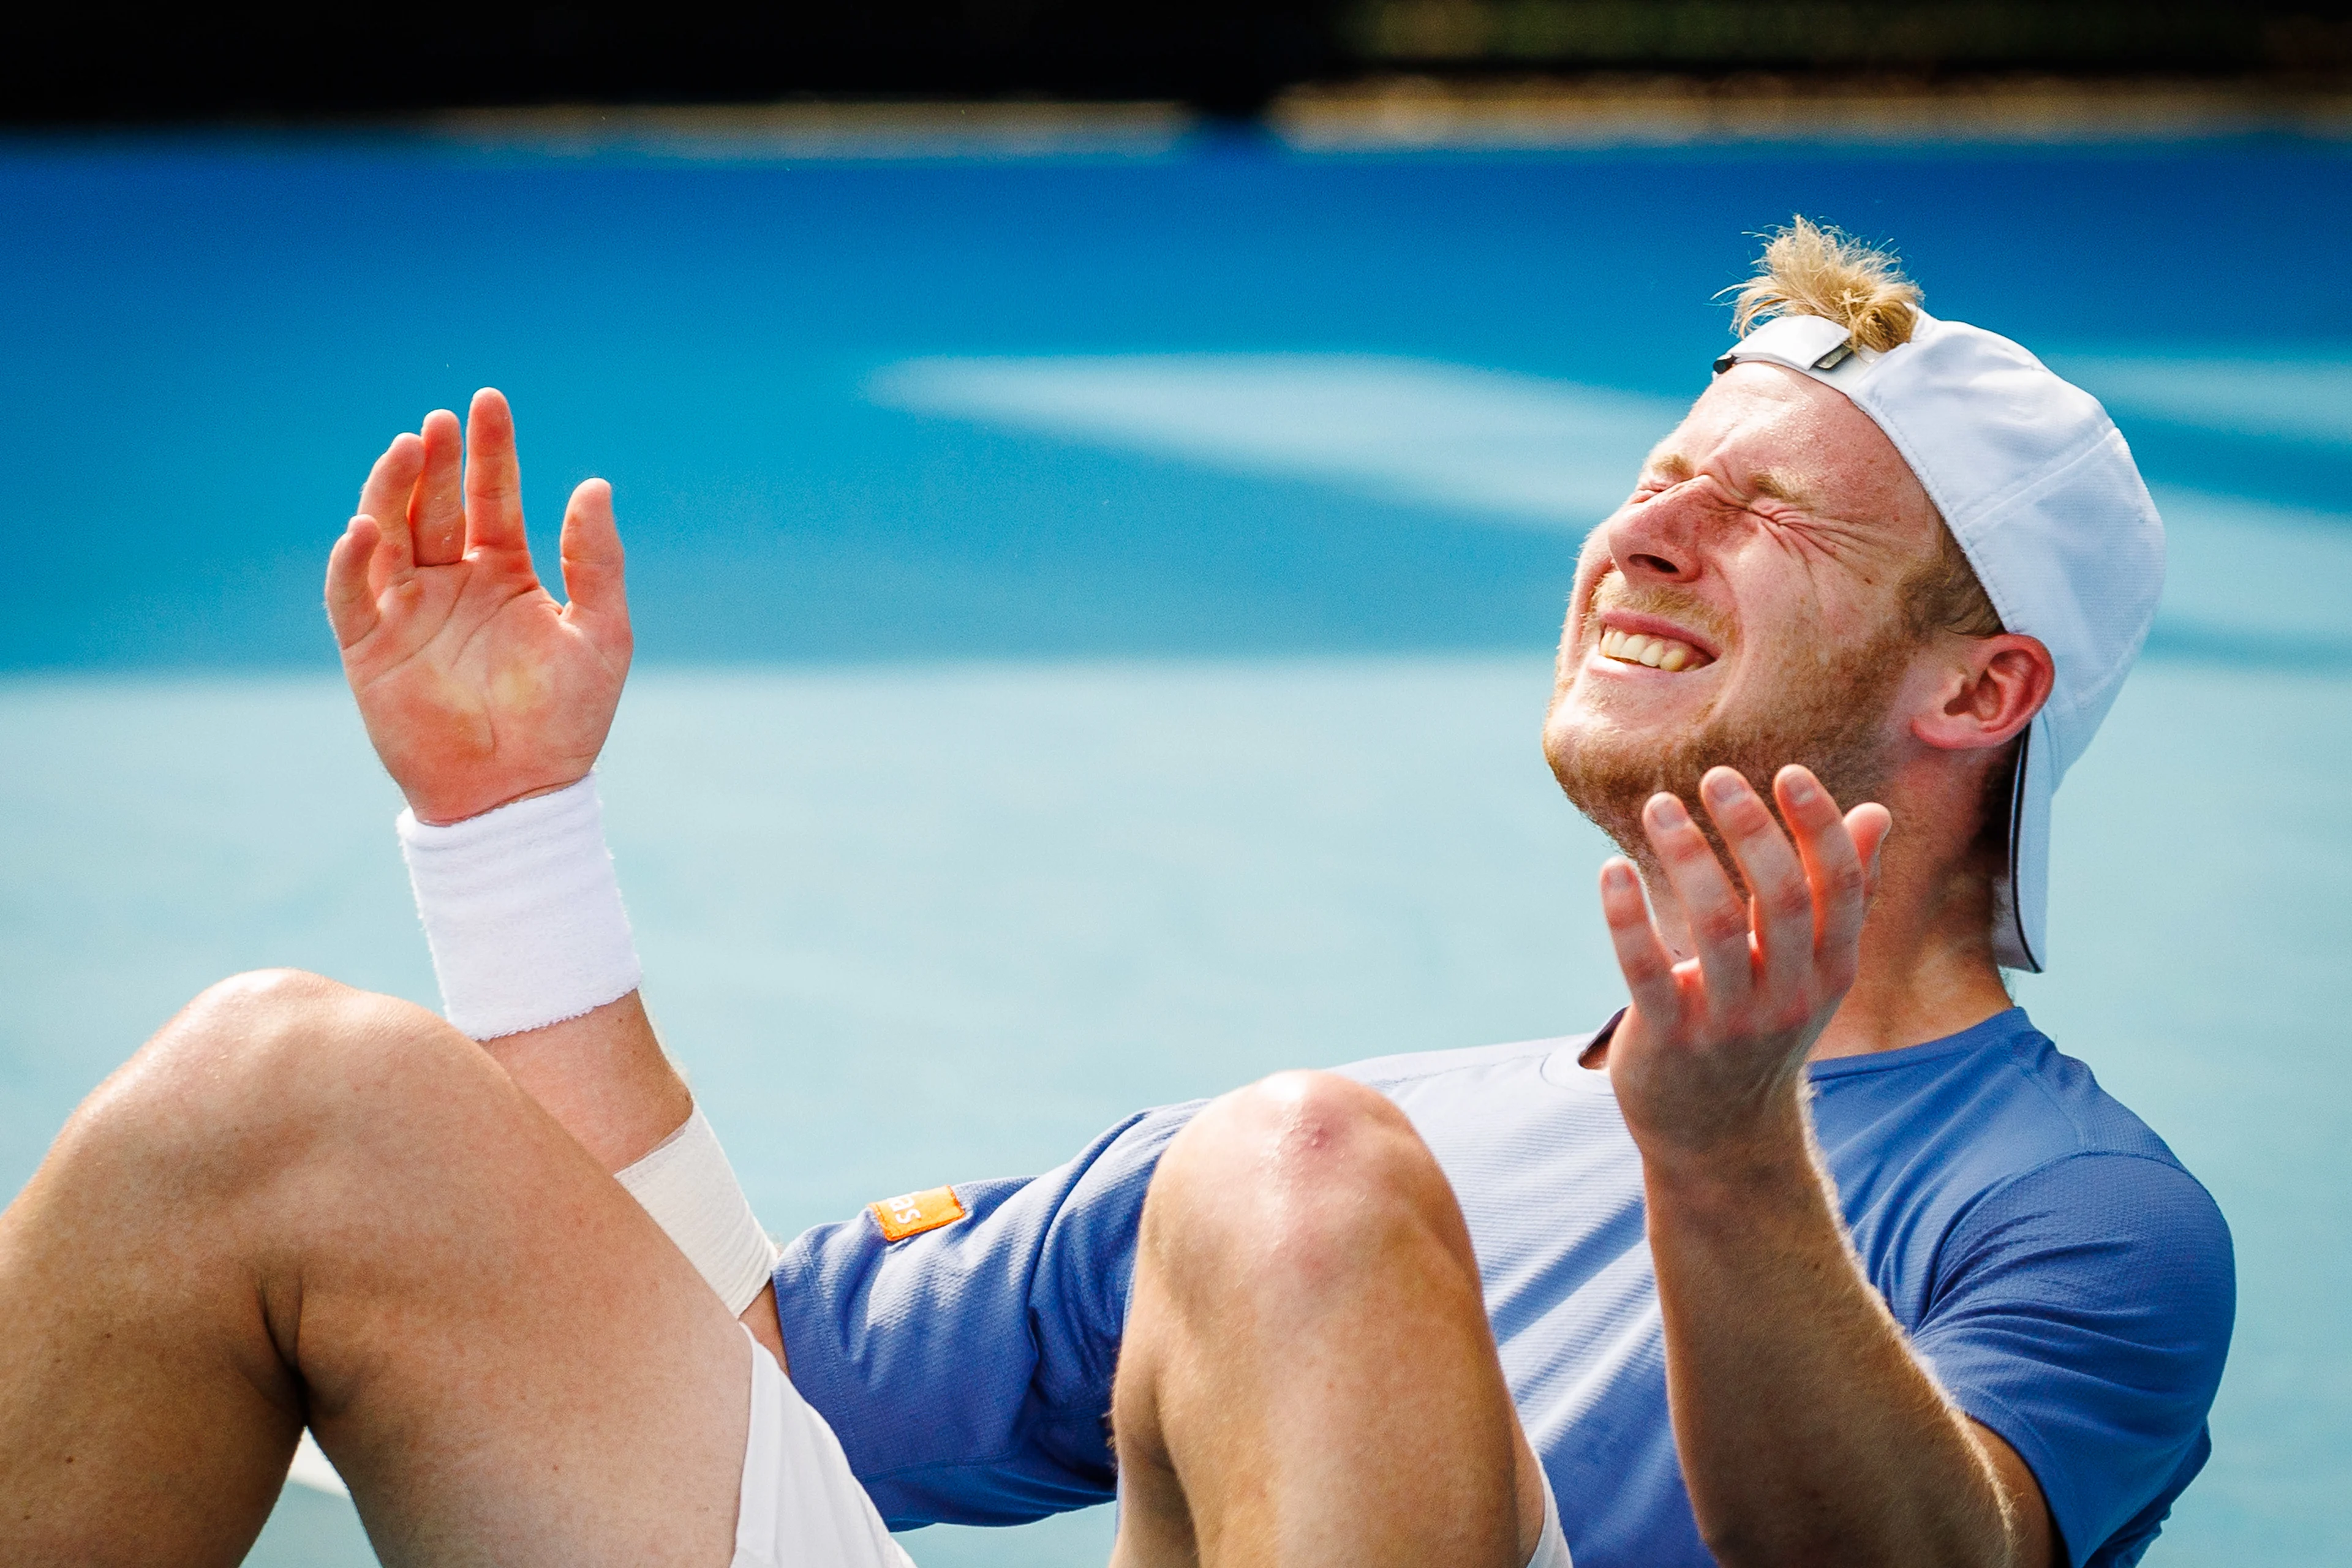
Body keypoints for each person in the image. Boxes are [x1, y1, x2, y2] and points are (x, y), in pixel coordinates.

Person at [0, 221, 2230, 1568]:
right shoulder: (1336, 1166)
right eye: (1655, 484)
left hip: (1375, 1190)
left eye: (1768, 519)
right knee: (264, 1092)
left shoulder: (2082, 1214)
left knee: (1299, 1175)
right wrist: (507, 838)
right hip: (1309, 1195)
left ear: (1981, 689)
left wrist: (1731, 1162)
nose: (1644, 537)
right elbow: (756, 1394)